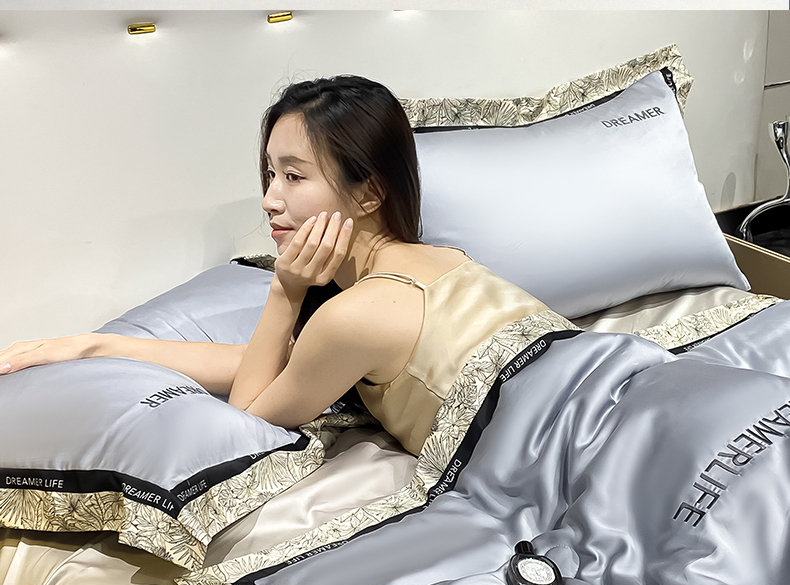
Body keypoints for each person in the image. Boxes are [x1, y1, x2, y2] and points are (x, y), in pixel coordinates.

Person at [0, 76, 546, 455]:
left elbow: (247, 415)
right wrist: (95, 345)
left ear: (369, 193)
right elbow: (272, 364)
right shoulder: (443, 261)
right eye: (270, 174)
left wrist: (285, 293)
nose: (268, 199)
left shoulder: (355, 315)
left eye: (294, 176)